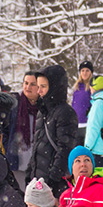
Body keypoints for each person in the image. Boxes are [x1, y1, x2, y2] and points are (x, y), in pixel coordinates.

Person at [26, 66, 79, 197]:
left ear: (55, 87)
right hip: (40, 181)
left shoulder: (65, 113)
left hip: (55, 185)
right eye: (38, 86)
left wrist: (52, 179)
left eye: (43, 86)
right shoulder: (42, 112)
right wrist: (30, 173)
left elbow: (65, 149)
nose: (39, 91)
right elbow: (38, 147)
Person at [5, 71, 41, 188]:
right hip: (18, 161)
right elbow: (4, 130)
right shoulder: (14, 103)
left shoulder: (44, 106)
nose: (28, 87)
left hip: (38, 163)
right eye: (26, 83)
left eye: (32, 84)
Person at [71, 61, 93, 125]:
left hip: (88, 123)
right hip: (76, 122)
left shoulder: (93, 86)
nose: (84, 73)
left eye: (87, 71)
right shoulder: (77, 86)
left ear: (91, 72)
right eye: (82, 70)